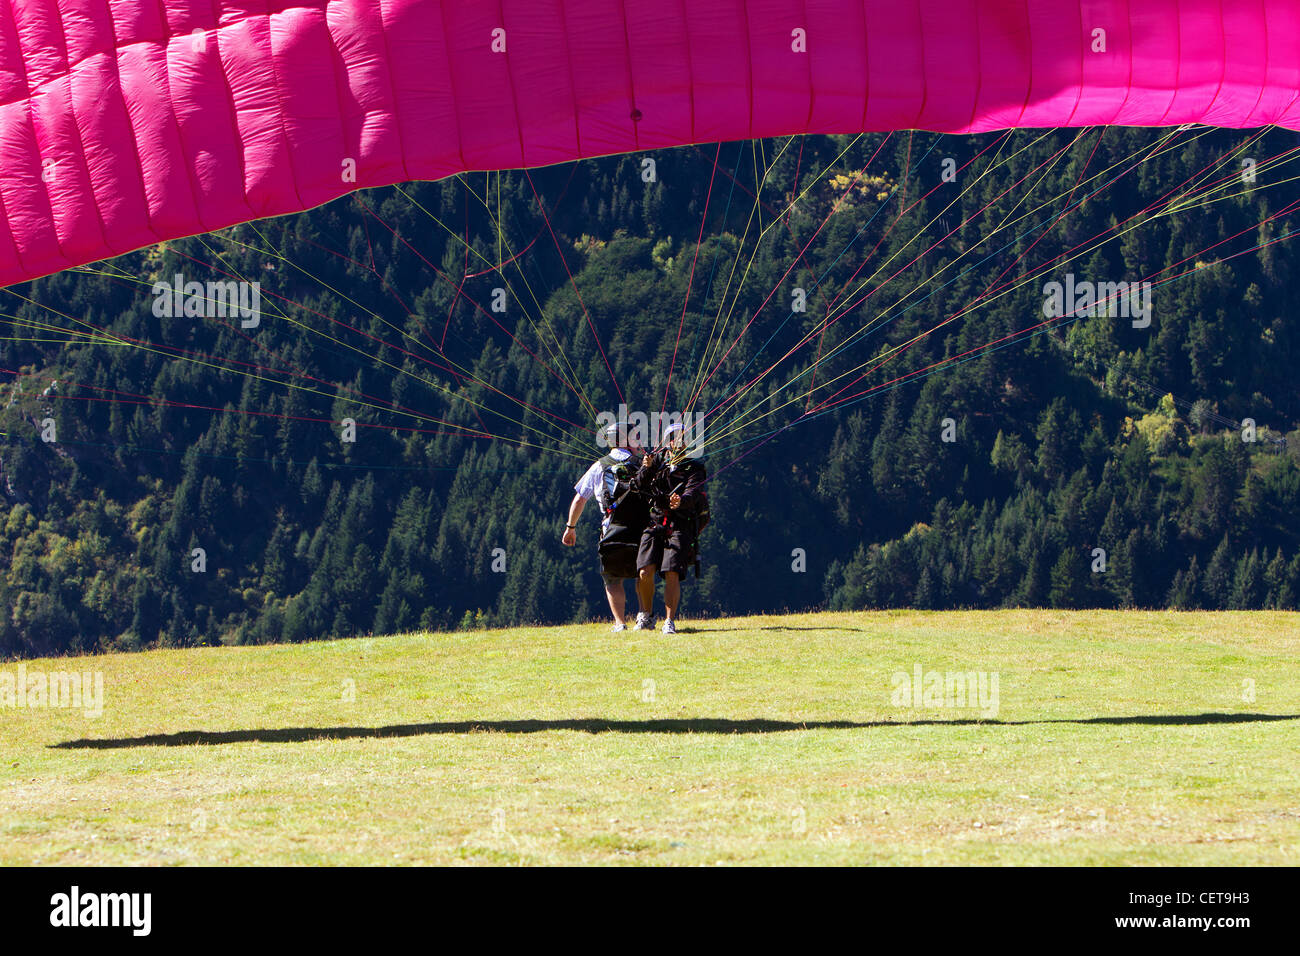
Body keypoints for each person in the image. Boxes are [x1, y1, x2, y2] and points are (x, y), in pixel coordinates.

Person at [562, 423, 652, 631]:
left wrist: (571, 527)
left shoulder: (599, 465)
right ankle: (644, 618)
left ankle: (620, 623)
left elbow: (579, 500)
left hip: (611, 528)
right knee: (642, 573)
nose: (639, 439)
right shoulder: (642, 464)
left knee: (612, 578)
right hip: (640, 528)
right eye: (635, 435)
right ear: (626, 439)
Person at [633, 422, 708, 634]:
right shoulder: (655, 463)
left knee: (672, 571)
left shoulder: (694, 467)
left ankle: (669, 620)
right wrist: (646, 468)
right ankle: (646, 616)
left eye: (681, 437)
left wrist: (681, 501)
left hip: (680, 523)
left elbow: (693, 493)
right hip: (655, 521)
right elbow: (637, 486)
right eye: (673, 437)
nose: (677, 441)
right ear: (666, 441)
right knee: (645, 571)